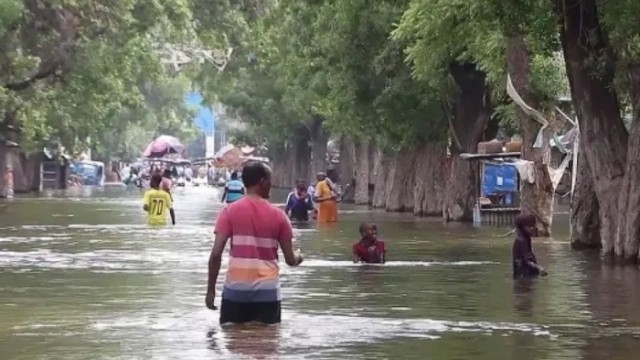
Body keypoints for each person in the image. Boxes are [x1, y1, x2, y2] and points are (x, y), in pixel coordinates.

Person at [206, 161, 304, 325]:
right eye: (269, 180)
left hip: (235, 292)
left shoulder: (228, 212)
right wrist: (300, 257)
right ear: (262, 182)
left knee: (233, 345)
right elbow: (290, 260)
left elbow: (216, 254)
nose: (271, 185)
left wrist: (210, 291)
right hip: (267, 294)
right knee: (266, 345)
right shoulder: (279, 216)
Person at [513, 213, 547, 278]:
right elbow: (527, 260)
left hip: (526, 273)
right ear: (522, 227)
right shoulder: (521, 240)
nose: (533, 228)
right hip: (523, 275)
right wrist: (539, 268)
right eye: (530, 226)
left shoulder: (526, 238)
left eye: (533, 225)